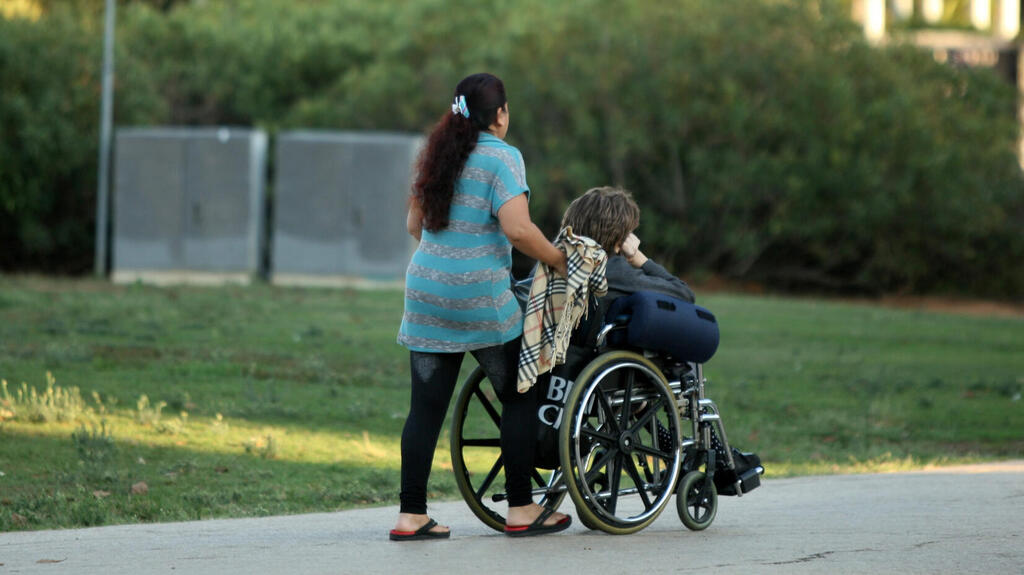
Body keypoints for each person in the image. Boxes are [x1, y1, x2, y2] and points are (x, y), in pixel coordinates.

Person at [391, 73, 571, 541]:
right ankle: (520, 508)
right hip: (480, 300)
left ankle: (411, 515)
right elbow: (517, 230)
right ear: (501, 115)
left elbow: (415, 224)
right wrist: (557, 259)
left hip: (426, 292)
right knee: (517, 394)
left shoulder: (434, 153)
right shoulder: (503, 157)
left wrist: (445, 257)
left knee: (425, 409)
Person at [560, 186, 695, 304]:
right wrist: (641, 259)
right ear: (621, 239)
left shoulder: (558, 261)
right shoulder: (616, 272)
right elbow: (684, 294)